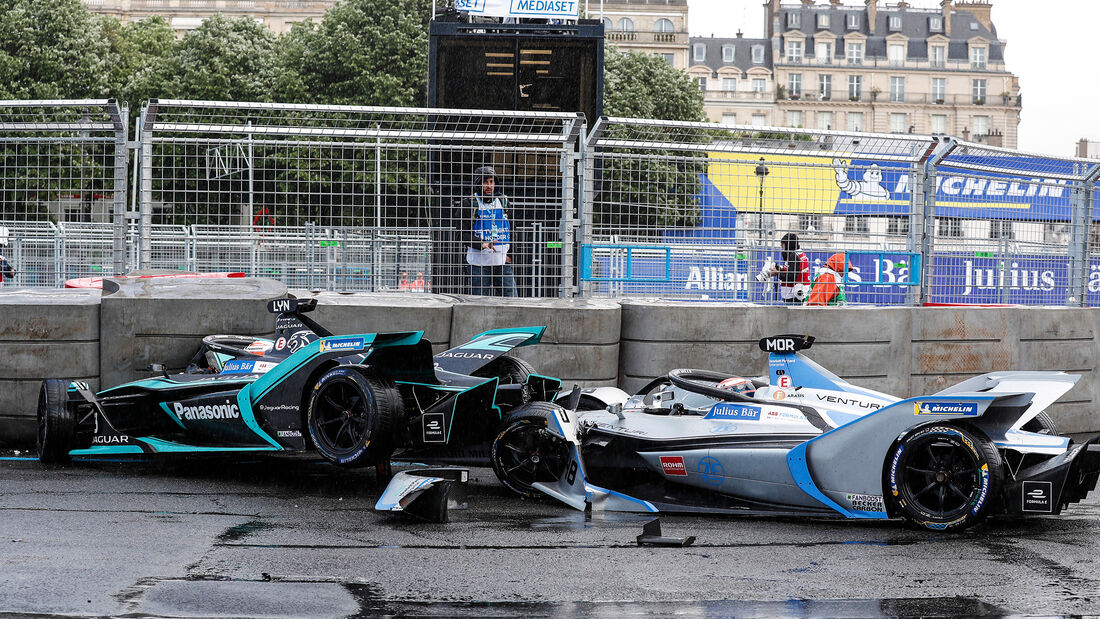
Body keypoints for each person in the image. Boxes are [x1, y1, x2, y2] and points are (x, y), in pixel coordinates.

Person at [463, 166, 517, 297]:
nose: (489, 186)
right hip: (479, 264)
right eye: (485, 182)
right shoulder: (470, 203)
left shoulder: (503, 201)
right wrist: (482, 244)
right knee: (480, 304)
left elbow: (512, 229)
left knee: (512, 301)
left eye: (491, 182)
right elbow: (461, 234)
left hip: (502, 262)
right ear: (477, 183)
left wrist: (511, 255)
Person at [766, 232, 810, 304]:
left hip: (793, 294)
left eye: (783, 244)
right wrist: (779, 268)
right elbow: (793, 270)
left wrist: (777, 273)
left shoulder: (794, 255)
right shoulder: (800, 253)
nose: (781, 246)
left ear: (788, 244)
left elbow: (791, 276)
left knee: (791, 314)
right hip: (799, 292)